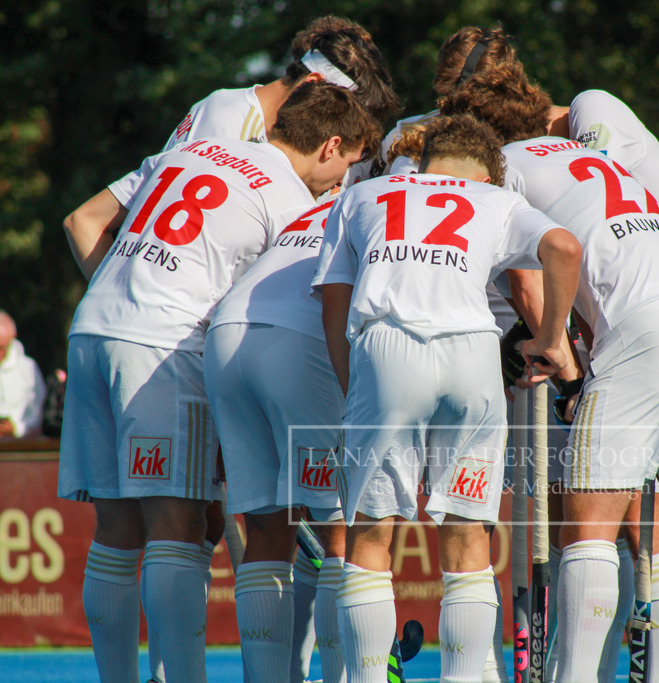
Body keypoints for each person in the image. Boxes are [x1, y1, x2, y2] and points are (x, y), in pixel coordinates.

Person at [69, 18, 400, 683]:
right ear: (331, 145)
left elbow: (83, 218)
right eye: (347, 165)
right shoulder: (288, 194)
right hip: (164, 343)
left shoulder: (187, 150)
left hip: (91, 325)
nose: (341, 184)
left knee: (115, 531)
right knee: (177, 523)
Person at [443, 66, 659, 683]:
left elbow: (531, 273)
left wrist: (550, 344)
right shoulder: (593, 154)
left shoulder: (507, 166)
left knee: (587, 530)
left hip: (645, 327)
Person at [312, 114, 582, 683]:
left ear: (430, 156)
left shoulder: (364, 193)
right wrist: (551, 339)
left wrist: (352, 390)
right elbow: (562, 246)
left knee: (369, 533)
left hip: (388, 348)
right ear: (488, 168)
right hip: (472, 354)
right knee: (465, 539)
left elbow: (334, 301)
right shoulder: (494, 199)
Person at [202, 109, 382, 683]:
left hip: (227, 332)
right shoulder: (383, 206)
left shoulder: (310, 208)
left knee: (266, 528)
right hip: (298, 341)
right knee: (338, 528)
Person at [0, 310, 46, 440]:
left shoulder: (28, 368)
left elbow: (39, 413)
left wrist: (16, 428)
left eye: (2, 348)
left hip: (22, 447)